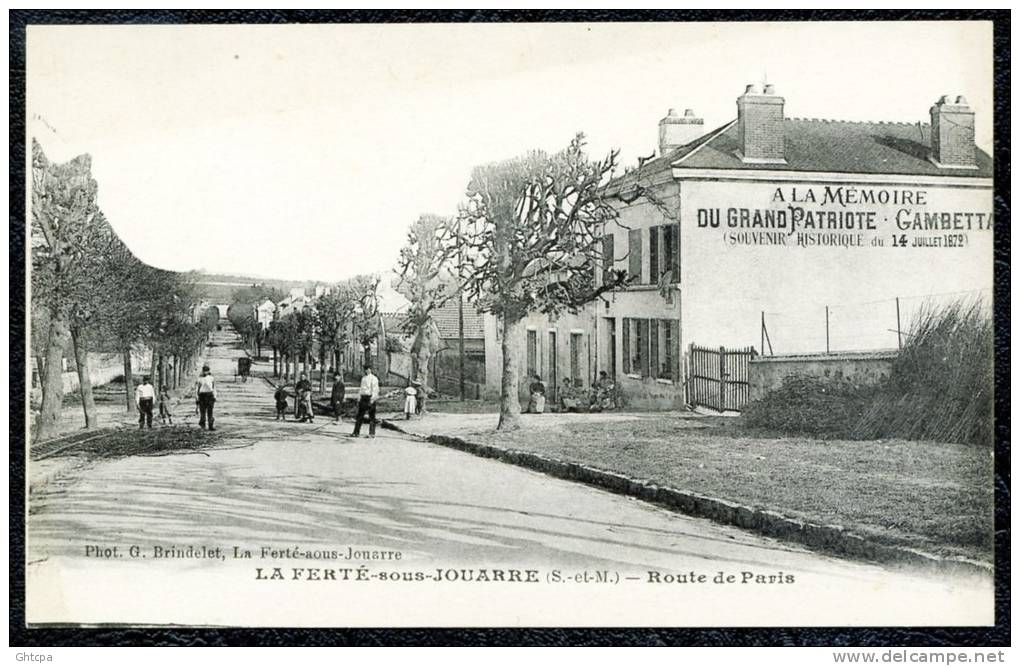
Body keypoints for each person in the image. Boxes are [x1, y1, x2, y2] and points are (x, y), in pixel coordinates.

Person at [350, 365, 379, 438]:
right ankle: (356, 432)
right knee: (359, 416)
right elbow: (361, 389)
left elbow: (375, 389)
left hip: (370, 397)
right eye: (365, 369)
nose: (366, 371)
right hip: (363, 398)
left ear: (370, 369)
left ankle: (372, 433)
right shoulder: (363, 378)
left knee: (371, 416)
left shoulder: (374, 378)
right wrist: (359, 398)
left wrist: (372, 399)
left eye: (368, 369)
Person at [195, 365, 217, 431]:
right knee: (202, 411)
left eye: (207, 371)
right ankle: (203, 425)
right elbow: (197, 389)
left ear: (209, 371)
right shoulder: (199, 379)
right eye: (204, 371)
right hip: (202, 395)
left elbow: (214, 388)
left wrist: (215, 396)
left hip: (210, 395)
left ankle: (211, 425)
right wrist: (197, 398)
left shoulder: (211, 378)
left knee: (210, 411)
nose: (205, 372)